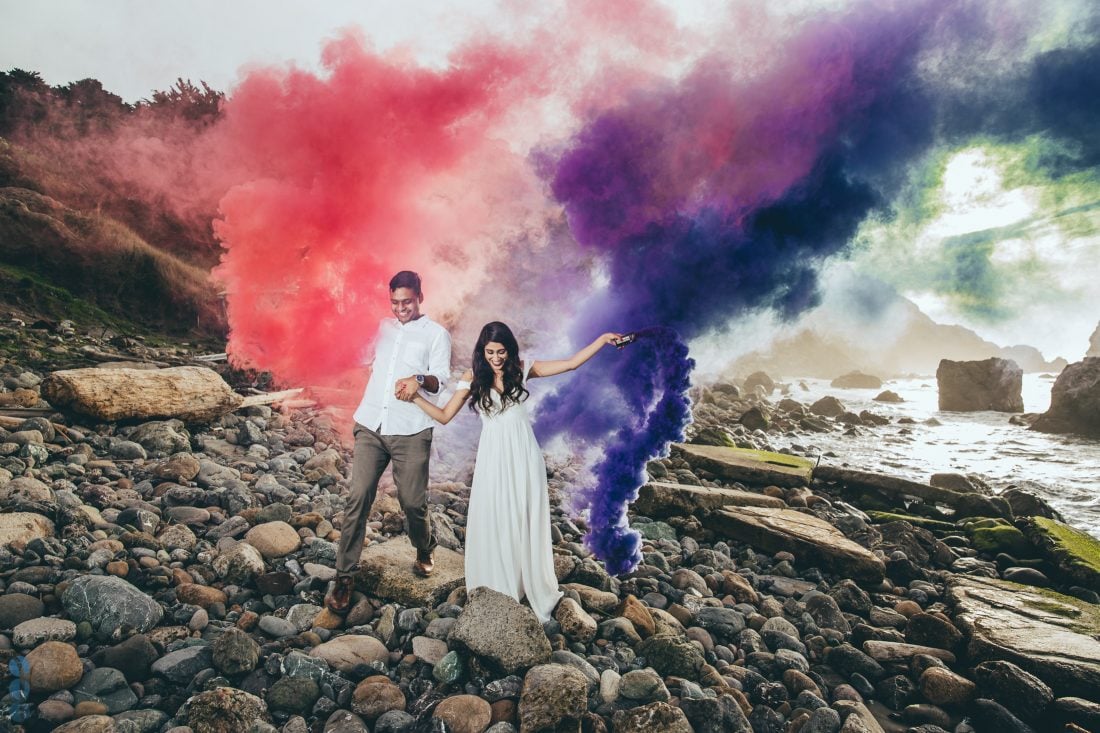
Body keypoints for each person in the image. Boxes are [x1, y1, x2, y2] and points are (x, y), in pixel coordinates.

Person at [410, 321, 622, 623]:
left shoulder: (521, 369)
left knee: (523, 516)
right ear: (482, 352)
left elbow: (571, 364)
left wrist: (601, 339)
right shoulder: (472, 378)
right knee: (496, 515)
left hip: (524, 454)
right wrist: (416, 396)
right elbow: (444, 416)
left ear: (510, 350)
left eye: (501, 352)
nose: (496, 358)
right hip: (494, 457)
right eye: (490, 352)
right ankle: (498, 584)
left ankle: (526, 583)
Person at [325, 271, 452, 614]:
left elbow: (441, 381)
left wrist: (419, 378)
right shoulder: (381, 328)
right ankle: (344, 575)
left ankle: (424, 546)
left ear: (420, 297)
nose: (400, 309)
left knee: (412, 502)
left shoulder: (436, 335)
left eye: (406, 302)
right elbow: (359, 356)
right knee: (358, 496)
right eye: (395, 303)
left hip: (411, 429)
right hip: (370, 423)